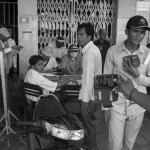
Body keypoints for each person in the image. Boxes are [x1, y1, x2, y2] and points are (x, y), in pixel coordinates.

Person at [103, 15, 150, 150]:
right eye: (135, 31)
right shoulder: (113, 51)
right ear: (126, 31)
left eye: (142, 32)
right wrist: (105, 108)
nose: (139, 35)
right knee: (115, 145)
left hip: (138, 107)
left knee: (129, 145)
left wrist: (137, 75)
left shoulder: (148, 54)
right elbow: (105, 79)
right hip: (116, 105)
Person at [77, 22, 102, 150]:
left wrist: (85, 100)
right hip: (93, 94)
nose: (79, 37)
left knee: (89, 124)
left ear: (90, 36)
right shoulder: (90, 50)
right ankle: (89, 145)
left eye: (82, 34)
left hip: (90, 96)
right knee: (89, 123)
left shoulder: (90, 52)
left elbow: (88, 78)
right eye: (78, 34)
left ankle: (91, 147)